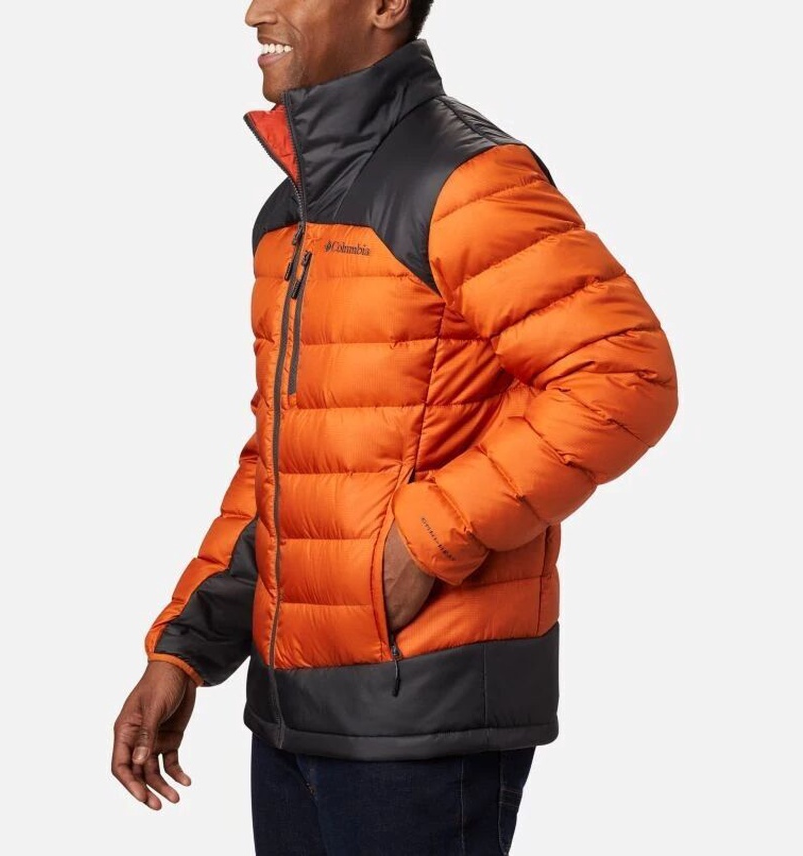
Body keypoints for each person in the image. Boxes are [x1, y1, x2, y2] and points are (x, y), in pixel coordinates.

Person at [111, 1, 679, 853]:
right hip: (292, 716)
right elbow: (287, 461)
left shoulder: (465, 180)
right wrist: (185, 648)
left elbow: (624, 375)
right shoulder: (290, 212)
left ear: (384, 5)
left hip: (422, 723)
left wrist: (432, 534)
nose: (256, 11)